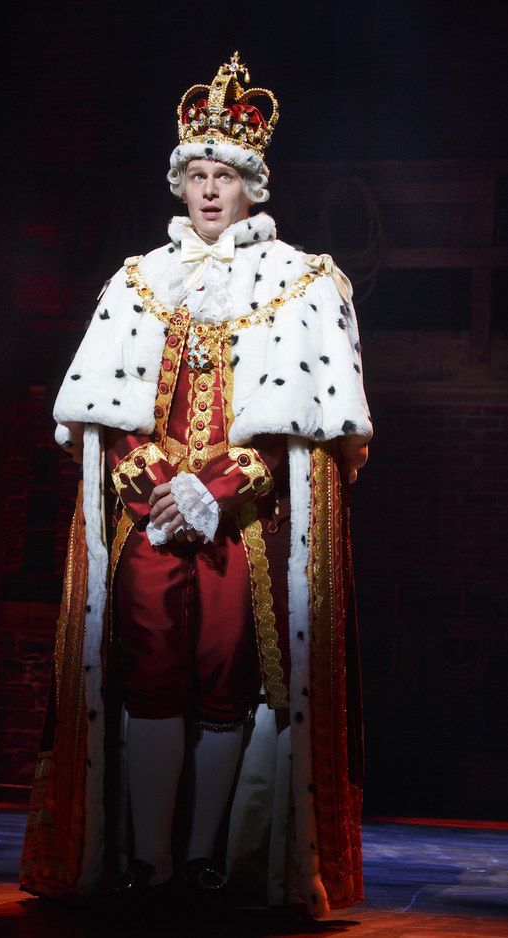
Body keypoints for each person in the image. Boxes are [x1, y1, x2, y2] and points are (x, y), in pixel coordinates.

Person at [20, 52, 372, 920]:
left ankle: (214, 853)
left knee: (228, 679)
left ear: (252, 186)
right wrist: (155, 487)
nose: (210, 191)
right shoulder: (135, 281)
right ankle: (149, 857)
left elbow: (306, 426)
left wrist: (217, 488)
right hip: (150, 515)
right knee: (146, 674)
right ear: (181, 184)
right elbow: (104, 416)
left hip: (243, 521)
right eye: (198, 175)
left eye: (225, 176)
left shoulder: (304, 281)